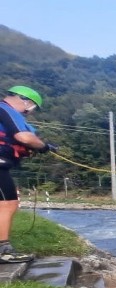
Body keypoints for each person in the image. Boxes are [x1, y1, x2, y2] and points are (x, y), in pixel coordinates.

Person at [0, 86, 56, 263]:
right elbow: (24, 137)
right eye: (31, 108)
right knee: (8, 204)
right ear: (25, 100)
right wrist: (44, 146)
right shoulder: (6, 109)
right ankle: (4, 250)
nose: (28, 113)